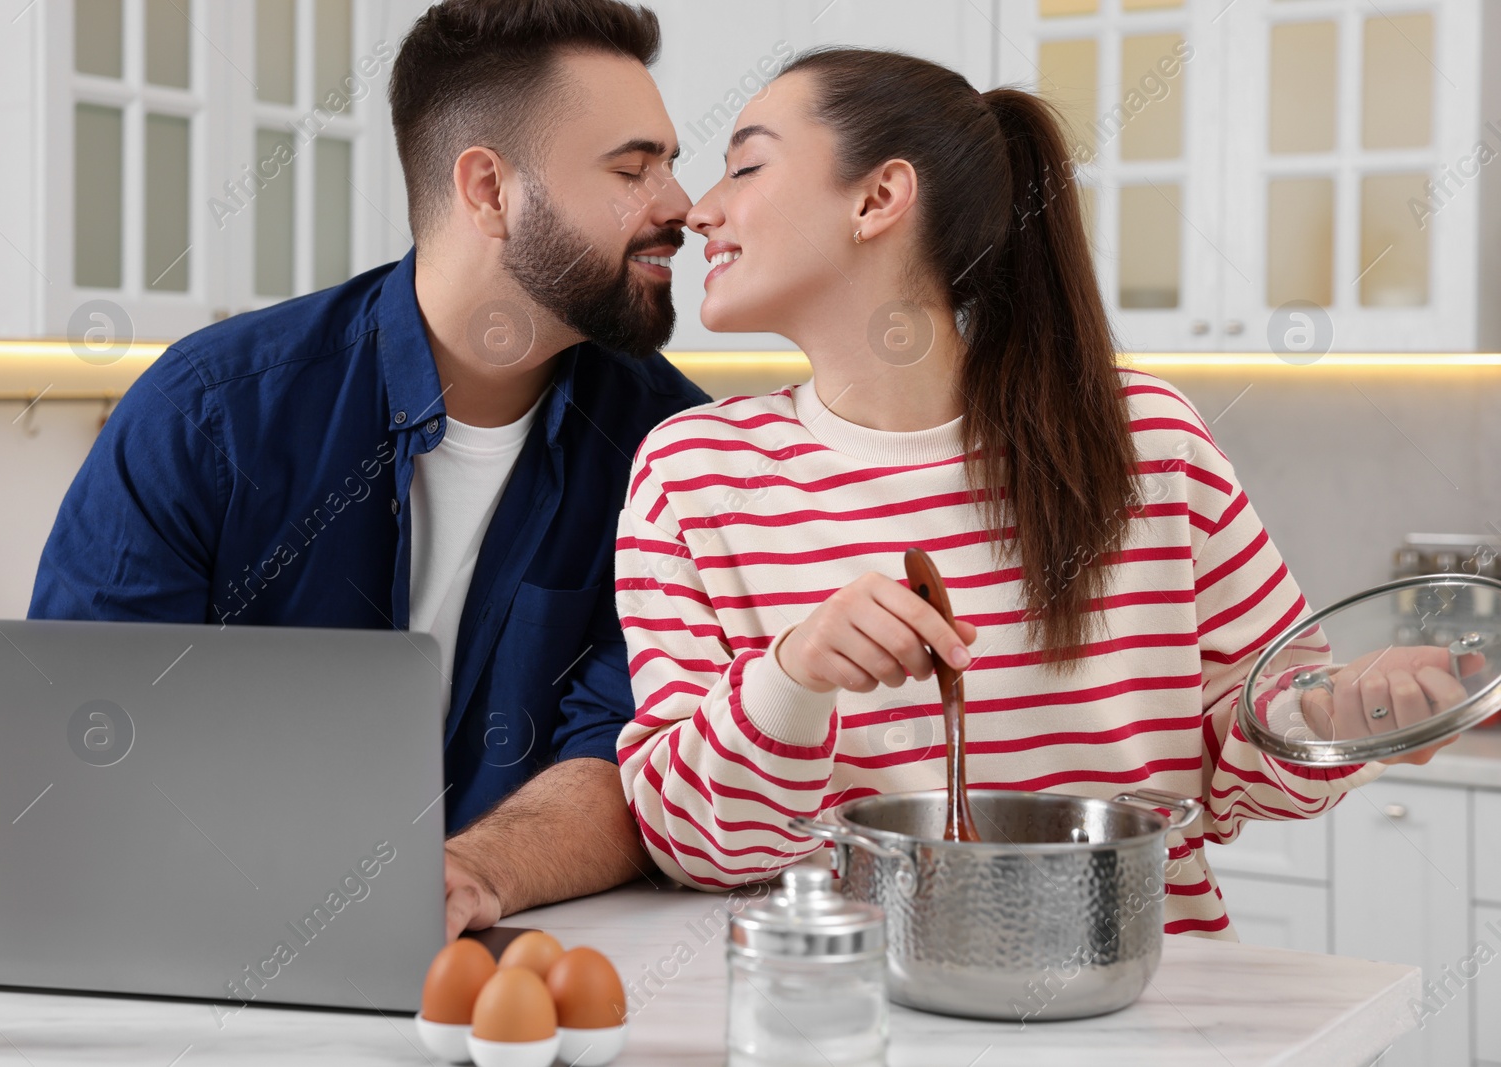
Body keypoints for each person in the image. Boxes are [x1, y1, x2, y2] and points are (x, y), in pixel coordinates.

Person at [613, 47, 1464, 936]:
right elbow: (690, 843)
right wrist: (792, 678)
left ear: (876, 199)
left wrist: (1347, 716)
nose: (699, 211)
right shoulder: (692, 474)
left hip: (1143, 1008)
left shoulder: (1142, 437)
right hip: (861, 1015)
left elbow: (1249, 747)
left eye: (745, 165)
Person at [31, 0, 706, 940]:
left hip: (534, 953)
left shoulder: (676, 448)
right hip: (211, 953)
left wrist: (469, 872)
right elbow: (86, 740)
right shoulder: (209, 414)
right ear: (488, 190)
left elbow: (637, 755)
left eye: (672, 164)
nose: (685, 205)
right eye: (634, 169)